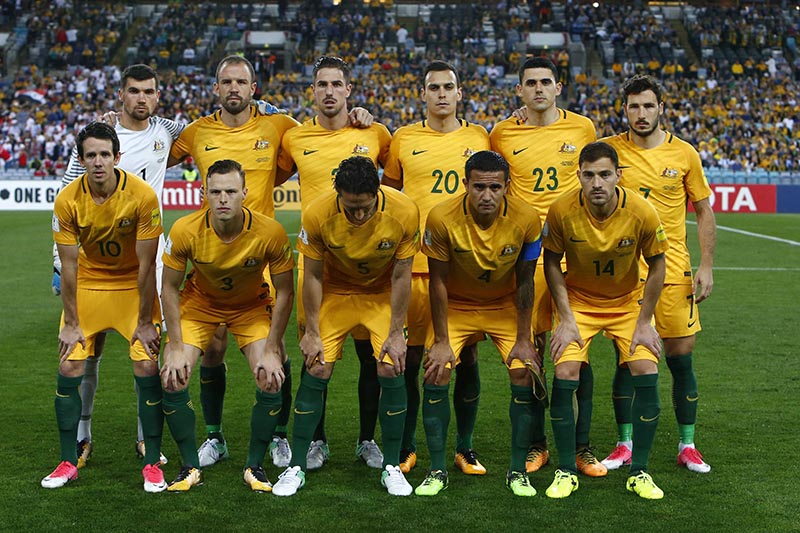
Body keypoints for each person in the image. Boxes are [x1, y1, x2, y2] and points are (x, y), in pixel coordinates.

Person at [52, 64, 280, 467]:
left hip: (147, 259)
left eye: (150, 92)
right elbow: (69, 195)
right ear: (120, 95)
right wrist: (59, 261)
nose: (142, 98)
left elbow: (227, 115)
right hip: (95, 264)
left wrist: (261, 103)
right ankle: (84, 431)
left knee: (149, 351)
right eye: (134, 91)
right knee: (89, 350)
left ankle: (146, 438)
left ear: (157, 96)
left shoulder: (168, 131)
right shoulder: (98, 138)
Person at [168, 54, 300, 469]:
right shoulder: (196, 132)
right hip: (212, 254)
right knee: (212, 350)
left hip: (261, 253)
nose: (233, 89)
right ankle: (214, 435)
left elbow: (315, 142)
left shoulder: (278, 125)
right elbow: (152, 156)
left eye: (241, 82)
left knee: (275, 354)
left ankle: (278, 434)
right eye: (226, 82)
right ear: (216, 88)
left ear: (253, 88)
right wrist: (122, 125)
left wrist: (357, 116)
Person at [271, 156, 419, 497]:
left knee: (391, 366)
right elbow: (311, 275)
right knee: (318, 366)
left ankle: (392, 466)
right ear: (337, 193)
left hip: (381, 294)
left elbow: (401, 275)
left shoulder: (405, 211)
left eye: (364, 208)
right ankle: (296, 465)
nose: (357, 215)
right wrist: (311, 331)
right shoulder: (318, 213)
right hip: (335, 293)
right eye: (350, 207)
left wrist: (397, 333)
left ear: (377, 192)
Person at [276, 55, 391, 471]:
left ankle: (366, 439)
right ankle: (316, 441)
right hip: (318, 265)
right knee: (316, 356)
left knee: (369, 358)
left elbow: (393, 185)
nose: (328, 91)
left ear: (348, 90)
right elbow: (267, 175)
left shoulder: (375, 132)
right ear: (313, 91)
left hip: (368, 266)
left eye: (336, 84)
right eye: (321, 84)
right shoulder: (293, 139)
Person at [490, 56, 603, 477]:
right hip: (530, 256)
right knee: (533, 351)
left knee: (578, 351)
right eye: (530, 83)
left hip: (576, 251)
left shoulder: (583, 128)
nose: (538, 88)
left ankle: (581, 447)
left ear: (559, 88)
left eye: (546, 82)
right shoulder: (502, 133)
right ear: (520, 90)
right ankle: (537, 445)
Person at [600, 74, 716, 474]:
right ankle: (624, 443)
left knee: (681, 360)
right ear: (624, 109)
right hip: (626, 277)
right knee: (626, 360)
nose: (641, 113)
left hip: (673, 272)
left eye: (648, 105)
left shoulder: (684, 154)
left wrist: (706, 265)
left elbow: (703, 211)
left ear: (661, 108)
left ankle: (688, 444)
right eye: (634, 106)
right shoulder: (610, 152)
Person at [42, 122, 166, 492]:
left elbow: (147, 265)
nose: (98, 162)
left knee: (146, 362)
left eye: (105, 154)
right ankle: (68, 459)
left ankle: (151, 462)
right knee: (69, 362)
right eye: (91, 155)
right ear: (82, 160)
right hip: (90, 286)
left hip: (132, 286)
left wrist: (145, 321)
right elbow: (68, 266)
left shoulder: (142, 196)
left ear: (118, 157)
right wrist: (70, 323)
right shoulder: (67, 200)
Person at [542, 141, 668, 500]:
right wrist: (565, 318)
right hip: (579, 302)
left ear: (618, 176)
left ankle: (640, 471)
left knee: (645, 368)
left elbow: (658, 262)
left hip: (627, 303)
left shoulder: (642, 211)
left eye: (604, 175)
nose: (596, 183)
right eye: (589, 175)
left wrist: (645, 321)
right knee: (566, 371)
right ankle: (566, 470)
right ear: (578, 175)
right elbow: (552, 261)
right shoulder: (561, 210)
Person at [382, 60, 490, 475]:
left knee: (466, 357)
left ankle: (465, 447)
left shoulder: (480, 136)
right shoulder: (403, 139)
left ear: (459, 93)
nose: (442, 94)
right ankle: (408, 446)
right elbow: (390, 196)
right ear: (422, 94)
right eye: (434, 88)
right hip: (412, 268)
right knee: (408, 359)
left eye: (449, 87)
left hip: (461, 269)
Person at [159, 159, 295, 492]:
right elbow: (169, 288)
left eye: (231, 191)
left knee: (271, 377)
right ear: (204, 193)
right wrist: (175, 346)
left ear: (245, 193)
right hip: (201, 305)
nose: (223, 198)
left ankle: (254, 465)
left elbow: (287, 291)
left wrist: (275, 347)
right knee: (173, 377)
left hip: (251, 307)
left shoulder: (270, 232)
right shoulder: (185, 230)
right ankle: (192, 463)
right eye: (216, 191)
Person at [415, 150, 542, 497]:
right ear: (466, 184)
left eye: (495, 187)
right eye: (479, 187)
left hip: (503, 305)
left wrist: (523, 338)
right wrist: (441, 340)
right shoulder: (441, 217)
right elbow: (437, 281)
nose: (487, 195)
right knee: (437, 368)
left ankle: (517, 472)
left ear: (507, 187)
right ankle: (437, 469)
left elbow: (526, 280)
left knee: (522, 369)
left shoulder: (527, 218)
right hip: (456, 304)